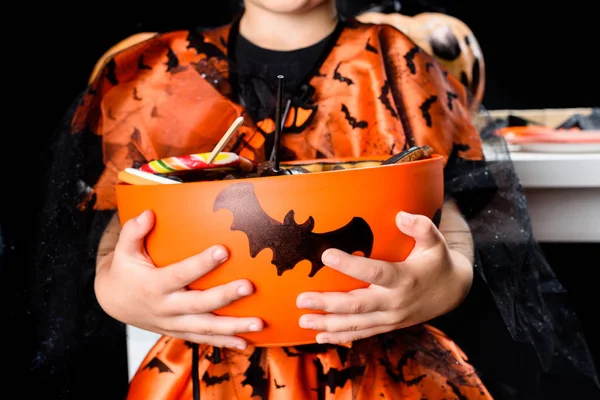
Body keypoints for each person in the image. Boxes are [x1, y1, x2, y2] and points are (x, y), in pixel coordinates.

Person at [32, 0, 599, 399]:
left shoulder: (397, 64)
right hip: (205, 371)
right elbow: (129, 207)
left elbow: (440, 202)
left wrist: (446, 279)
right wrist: (115, 285)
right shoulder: (157, 76)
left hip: (380, 369)